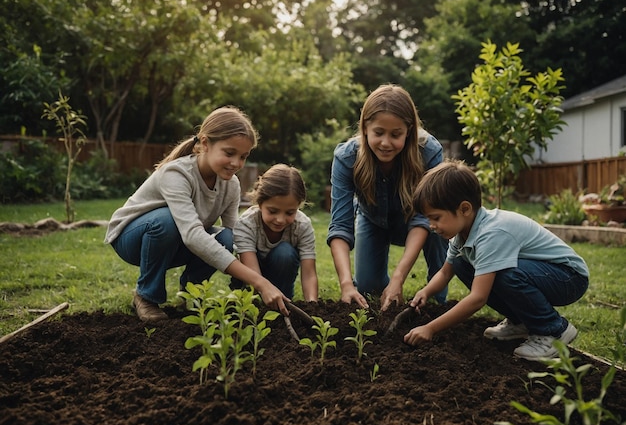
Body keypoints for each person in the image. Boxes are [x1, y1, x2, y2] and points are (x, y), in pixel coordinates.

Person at [104, 106, 290, 322]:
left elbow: (236, 237)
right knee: (167, 220)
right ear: (204, 143)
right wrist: (260, 282)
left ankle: (191, 294)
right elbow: (192, 234)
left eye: (243, 156)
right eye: (229, 153)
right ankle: (146, 296)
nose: (236, 163)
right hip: (132, 239)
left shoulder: (231, 185)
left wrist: (252, 282)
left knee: (226, 239)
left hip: (177, 242)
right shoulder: (176, 174)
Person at [403, 160, 589, 361]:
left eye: (436, 218)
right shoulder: (461, 235)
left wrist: (430, 328)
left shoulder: (492, 233)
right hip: (542, 274)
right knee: (461, 264)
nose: (431, 225)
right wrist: (426, 292)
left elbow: (478, 298)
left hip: (569, 277)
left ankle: (553, 330)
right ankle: (521, 322)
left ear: (464, 209)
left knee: (505, 274)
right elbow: (446, 272)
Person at [327, 84, 448, 311]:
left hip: (419, 223)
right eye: (378, 132)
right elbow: (340, 226)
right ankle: (388, 298)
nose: (385, 143)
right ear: (365, 128)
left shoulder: (429, 152)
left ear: (409, 131)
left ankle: (435, 301)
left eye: (396, 135)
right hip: (373, 221)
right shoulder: (346, 158)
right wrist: (346, 283)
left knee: (437, 226)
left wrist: (398, 278)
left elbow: (424, 218)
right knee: (367, 287)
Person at [232, 164, 319, 302]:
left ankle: (283, 300)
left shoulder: (302, 225)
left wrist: (312, 304)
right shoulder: (247, 224)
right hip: (251, 283)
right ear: (260, 204)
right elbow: (251, 270)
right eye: (273, 211)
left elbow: (309, 274)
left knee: (284, 252)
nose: (280, 219)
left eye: (290, 212)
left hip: (281, 283)